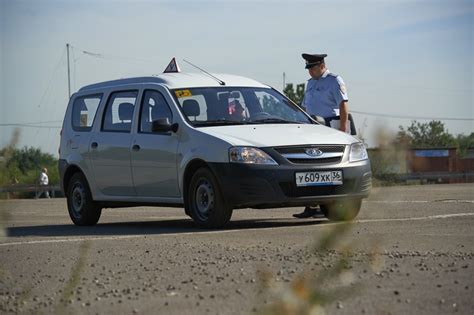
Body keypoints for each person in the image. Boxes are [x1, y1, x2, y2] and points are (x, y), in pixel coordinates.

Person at [293, 53, 350, 219]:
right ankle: (310, 206)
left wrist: (343, 131)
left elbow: (343, 105)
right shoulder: (310, 83)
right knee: (308, 166)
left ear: (321, 65)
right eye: (308, 68)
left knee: (326, 167)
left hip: (329, 128)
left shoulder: (334, 80)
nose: (309, 71)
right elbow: (305, 108)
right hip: (311, 129)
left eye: (311, 68)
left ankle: (326, 206)